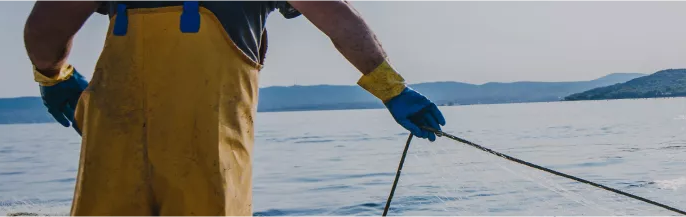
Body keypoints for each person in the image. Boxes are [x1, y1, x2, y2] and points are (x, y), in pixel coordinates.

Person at [22, 0, 446, 216]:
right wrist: (391, 88)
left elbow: (44, 28)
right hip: (204, 145)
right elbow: (335, 14)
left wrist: (53, 77)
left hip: (111, 140)